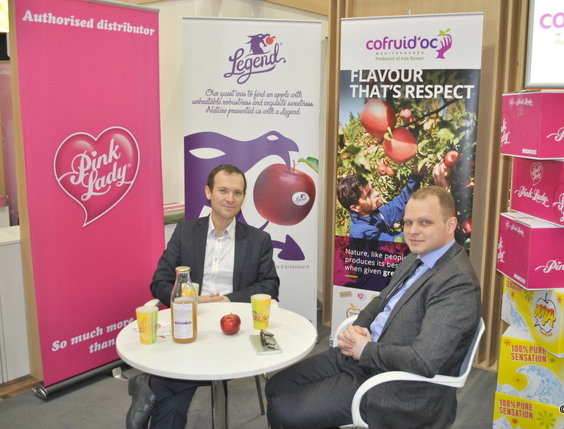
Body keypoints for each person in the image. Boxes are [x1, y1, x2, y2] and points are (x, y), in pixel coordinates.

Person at [266, 186, 481, 429]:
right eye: (408, 222)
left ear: (451, 225)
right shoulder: (417, 256)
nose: (413, 231)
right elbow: (382, 301)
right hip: (364, 356)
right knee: (275, 387)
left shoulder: (457, 283)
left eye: (425, 223)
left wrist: (366, 350)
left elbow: (423, 360)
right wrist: (358, 328)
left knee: (284, 411)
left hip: (394, 383)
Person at [126, 164, 279, 429]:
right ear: (208, 192)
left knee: (177, 376)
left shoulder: (258, 240)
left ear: (244, 197)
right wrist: (190, 299)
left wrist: (228, 300)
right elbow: (159, 282)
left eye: (237, 193)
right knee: (181, 376)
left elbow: (270, 285)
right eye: (223, 190)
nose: (230, 198)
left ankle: (152, 384)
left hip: (233, 326)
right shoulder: (185, 233)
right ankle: (157, 384)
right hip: (190, 321)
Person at [337, 163, 423, 242]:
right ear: (356, 207)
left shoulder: (373, 215)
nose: (376, 193)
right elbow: (395, 242)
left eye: (372, 189)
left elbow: (402, 201)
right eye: (368, 194)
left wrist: (416, 176)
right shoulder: (362, 235)